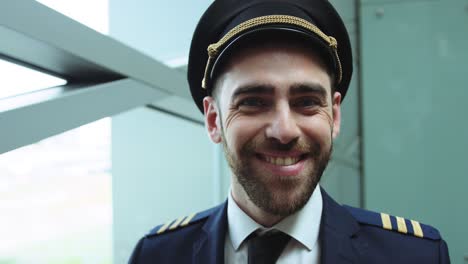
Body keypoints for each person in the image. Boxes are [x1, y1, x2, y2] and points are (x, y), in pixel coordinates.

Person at [129, 0, 450, 263]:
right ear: (213, 120)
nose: (284, 131)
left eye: (307, 102)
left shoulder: (414, 256)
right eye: (253, 101)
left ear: (334, 115)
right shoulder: (157, 256)